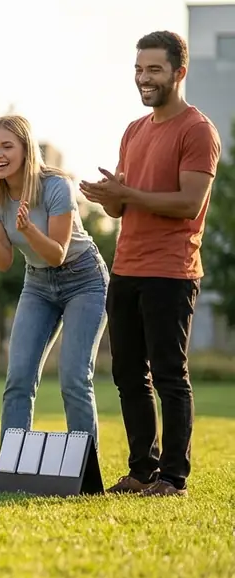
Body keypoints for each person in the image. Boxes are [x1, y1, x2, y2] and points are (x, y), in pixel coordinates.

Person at [79, 31, 222, 497]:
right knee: (127, 374)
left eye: (154, 70)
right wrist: (109, 200)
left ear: (179, 73)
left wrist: (128, 195)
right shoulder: (134, 131)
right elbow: (124, 208)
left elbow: (188, 202)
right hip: (127, 268)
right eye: (139, 69)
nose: (143, 78)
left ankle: (173, 478)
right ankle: (142, 470)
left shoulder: (197, 131)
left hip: (171, 271)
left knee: (168, 374)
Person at [0, 115, 109, 487]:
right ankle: (11, 466)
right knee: (19, 378)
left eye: (6, 146)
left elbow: (57, 252)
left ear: (25, 149)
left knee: (74, 376)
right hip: (37, 284)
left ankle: (88, 473)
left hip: (84, 279)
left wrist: (28, 230)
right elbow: (3, 261)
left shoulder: (56, 186)